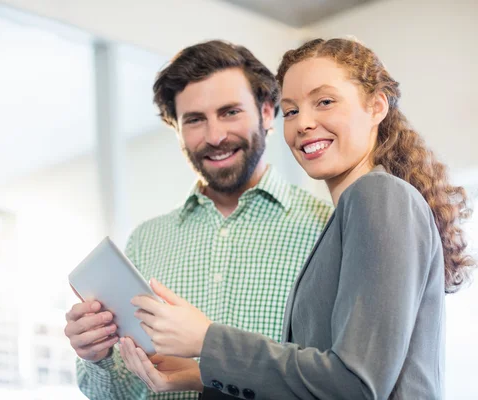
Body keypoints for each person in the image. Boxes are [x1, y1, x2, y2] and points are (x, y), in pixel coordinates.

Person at [120, 37, 476, 399]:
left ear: (376, 106)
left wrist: (207, 339)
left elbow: (356, 384)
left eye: (324, 102)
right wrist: (201, 374)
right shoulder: (353, 211)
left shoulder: (377, 195)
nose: (304, 123)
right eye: (291, 111)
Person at [63, 40, 333, 400]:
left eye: (230, 112)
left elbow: (335, 380)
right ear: (175, 128)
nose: (215, 136)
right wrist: (97, 357)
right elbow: (121, 393)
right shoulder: (147, 241)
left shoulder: (326, 229)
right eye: (194, 120)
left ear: (267, 112)